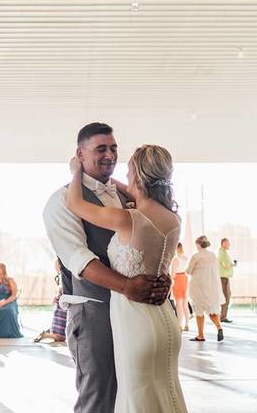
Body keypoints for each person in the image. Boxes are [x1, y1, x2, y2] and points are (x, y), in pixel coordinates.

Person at [43, 122, 171, 413]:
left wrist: (161, 276)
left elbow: (150, 243)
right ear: (80, 154)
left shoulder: (130, 197)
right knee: (99, 396)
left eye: (113, 148)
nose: (110, 155)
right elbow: (81, 262)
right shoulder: (61, 202)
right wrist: (128, 287)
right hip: (94, 312)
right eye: (100, 149)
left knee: (134, 390)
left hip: (136, 314)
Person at [64, 144, 188, 412]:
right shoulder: (173, 219)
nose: (126, 176)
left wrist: (76, 171)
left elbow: (74, 203)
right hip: (165, 320)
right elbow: (134, 191)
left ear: (139, 177)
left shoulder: (128, 219)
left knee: (136, 400)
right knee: (166, 394)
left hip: (135, 322)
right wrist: (115, 182)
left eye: (130, 170)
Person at [187, 235, 225, 343]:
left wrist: (185, 270)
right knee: (212, 310)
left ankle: (200, 335)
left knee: (199, 310)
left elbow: (189, 271)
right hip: (211, 286)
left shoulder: (196, 256)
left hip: (198, 286)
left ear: (199, 244)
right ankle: (219, 327)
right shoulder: (213, 255)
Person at [34, 261, 65, 345]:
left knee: (61, 334)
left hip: (60, 303)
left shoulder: (59, 276)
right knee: (61, 336)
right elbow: (60, 287)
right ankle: (46, 335)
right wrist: (58, 295)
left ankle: (48, 334)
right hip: (62, 304)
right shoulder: (62, 275)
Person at [171, 242, 190, 332]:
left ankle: (179, 325)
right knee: (185, 304)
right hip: (185, 279)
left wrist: (170, 279)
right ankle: (187, 324)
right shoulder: (185, 258)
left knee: (179, 305)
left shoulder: (175, 259)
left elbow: (173, 274)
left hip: (178, 280)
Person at [218, 238, 236, 323]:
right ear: (223, 243)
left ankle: (222, 316)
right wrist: (233, 264)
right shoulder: (222, 253)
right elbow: (226, 266)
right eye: (228, 243)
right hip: (223, 279)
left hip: (224, 278)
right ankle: (222, 317)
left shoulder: (223, 252)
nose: (229, 245)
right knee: (226, 297)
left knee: (226, 297)